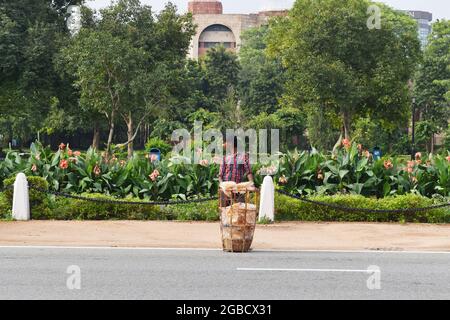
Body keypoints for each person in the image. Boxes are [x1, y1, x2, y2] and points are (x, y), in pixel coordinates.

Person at [219, 137, 255, 206]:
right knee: (224, 211)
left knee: (240, 210)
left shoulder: (243, 156)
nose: (223, 144)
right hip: (226, 190)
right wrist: (222, 186)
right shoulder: (225, 157)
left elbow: (248, 171)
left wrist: (252, 184)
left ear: (230, 143)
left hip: (238, 189)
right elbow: (220, 175)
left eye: (225, 142)